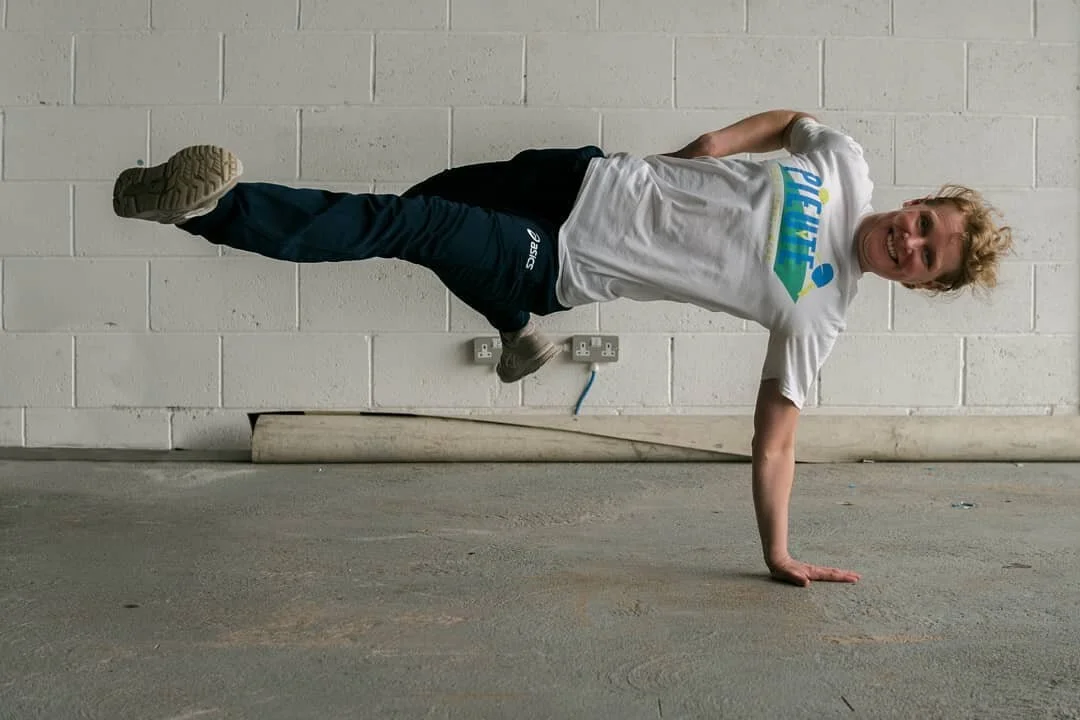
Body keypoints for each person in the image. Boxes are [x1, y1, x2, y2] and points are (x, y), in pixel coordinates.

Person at [112, 109, 1012, 587]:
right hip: (582, 173)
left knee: (408, 225)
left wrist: (779, 551)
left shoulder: (820, 315)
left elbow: (776, 439)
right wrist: (714, 144)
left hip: (564, 258)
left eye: (927, 257)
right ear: (916, 202)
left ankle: (207, 209)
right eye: (923, 222)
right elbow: (793, 120)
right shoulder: (845, 163)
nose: (911, 241)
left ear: (920, 285)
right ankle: (513, 332)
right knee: (424, 203)